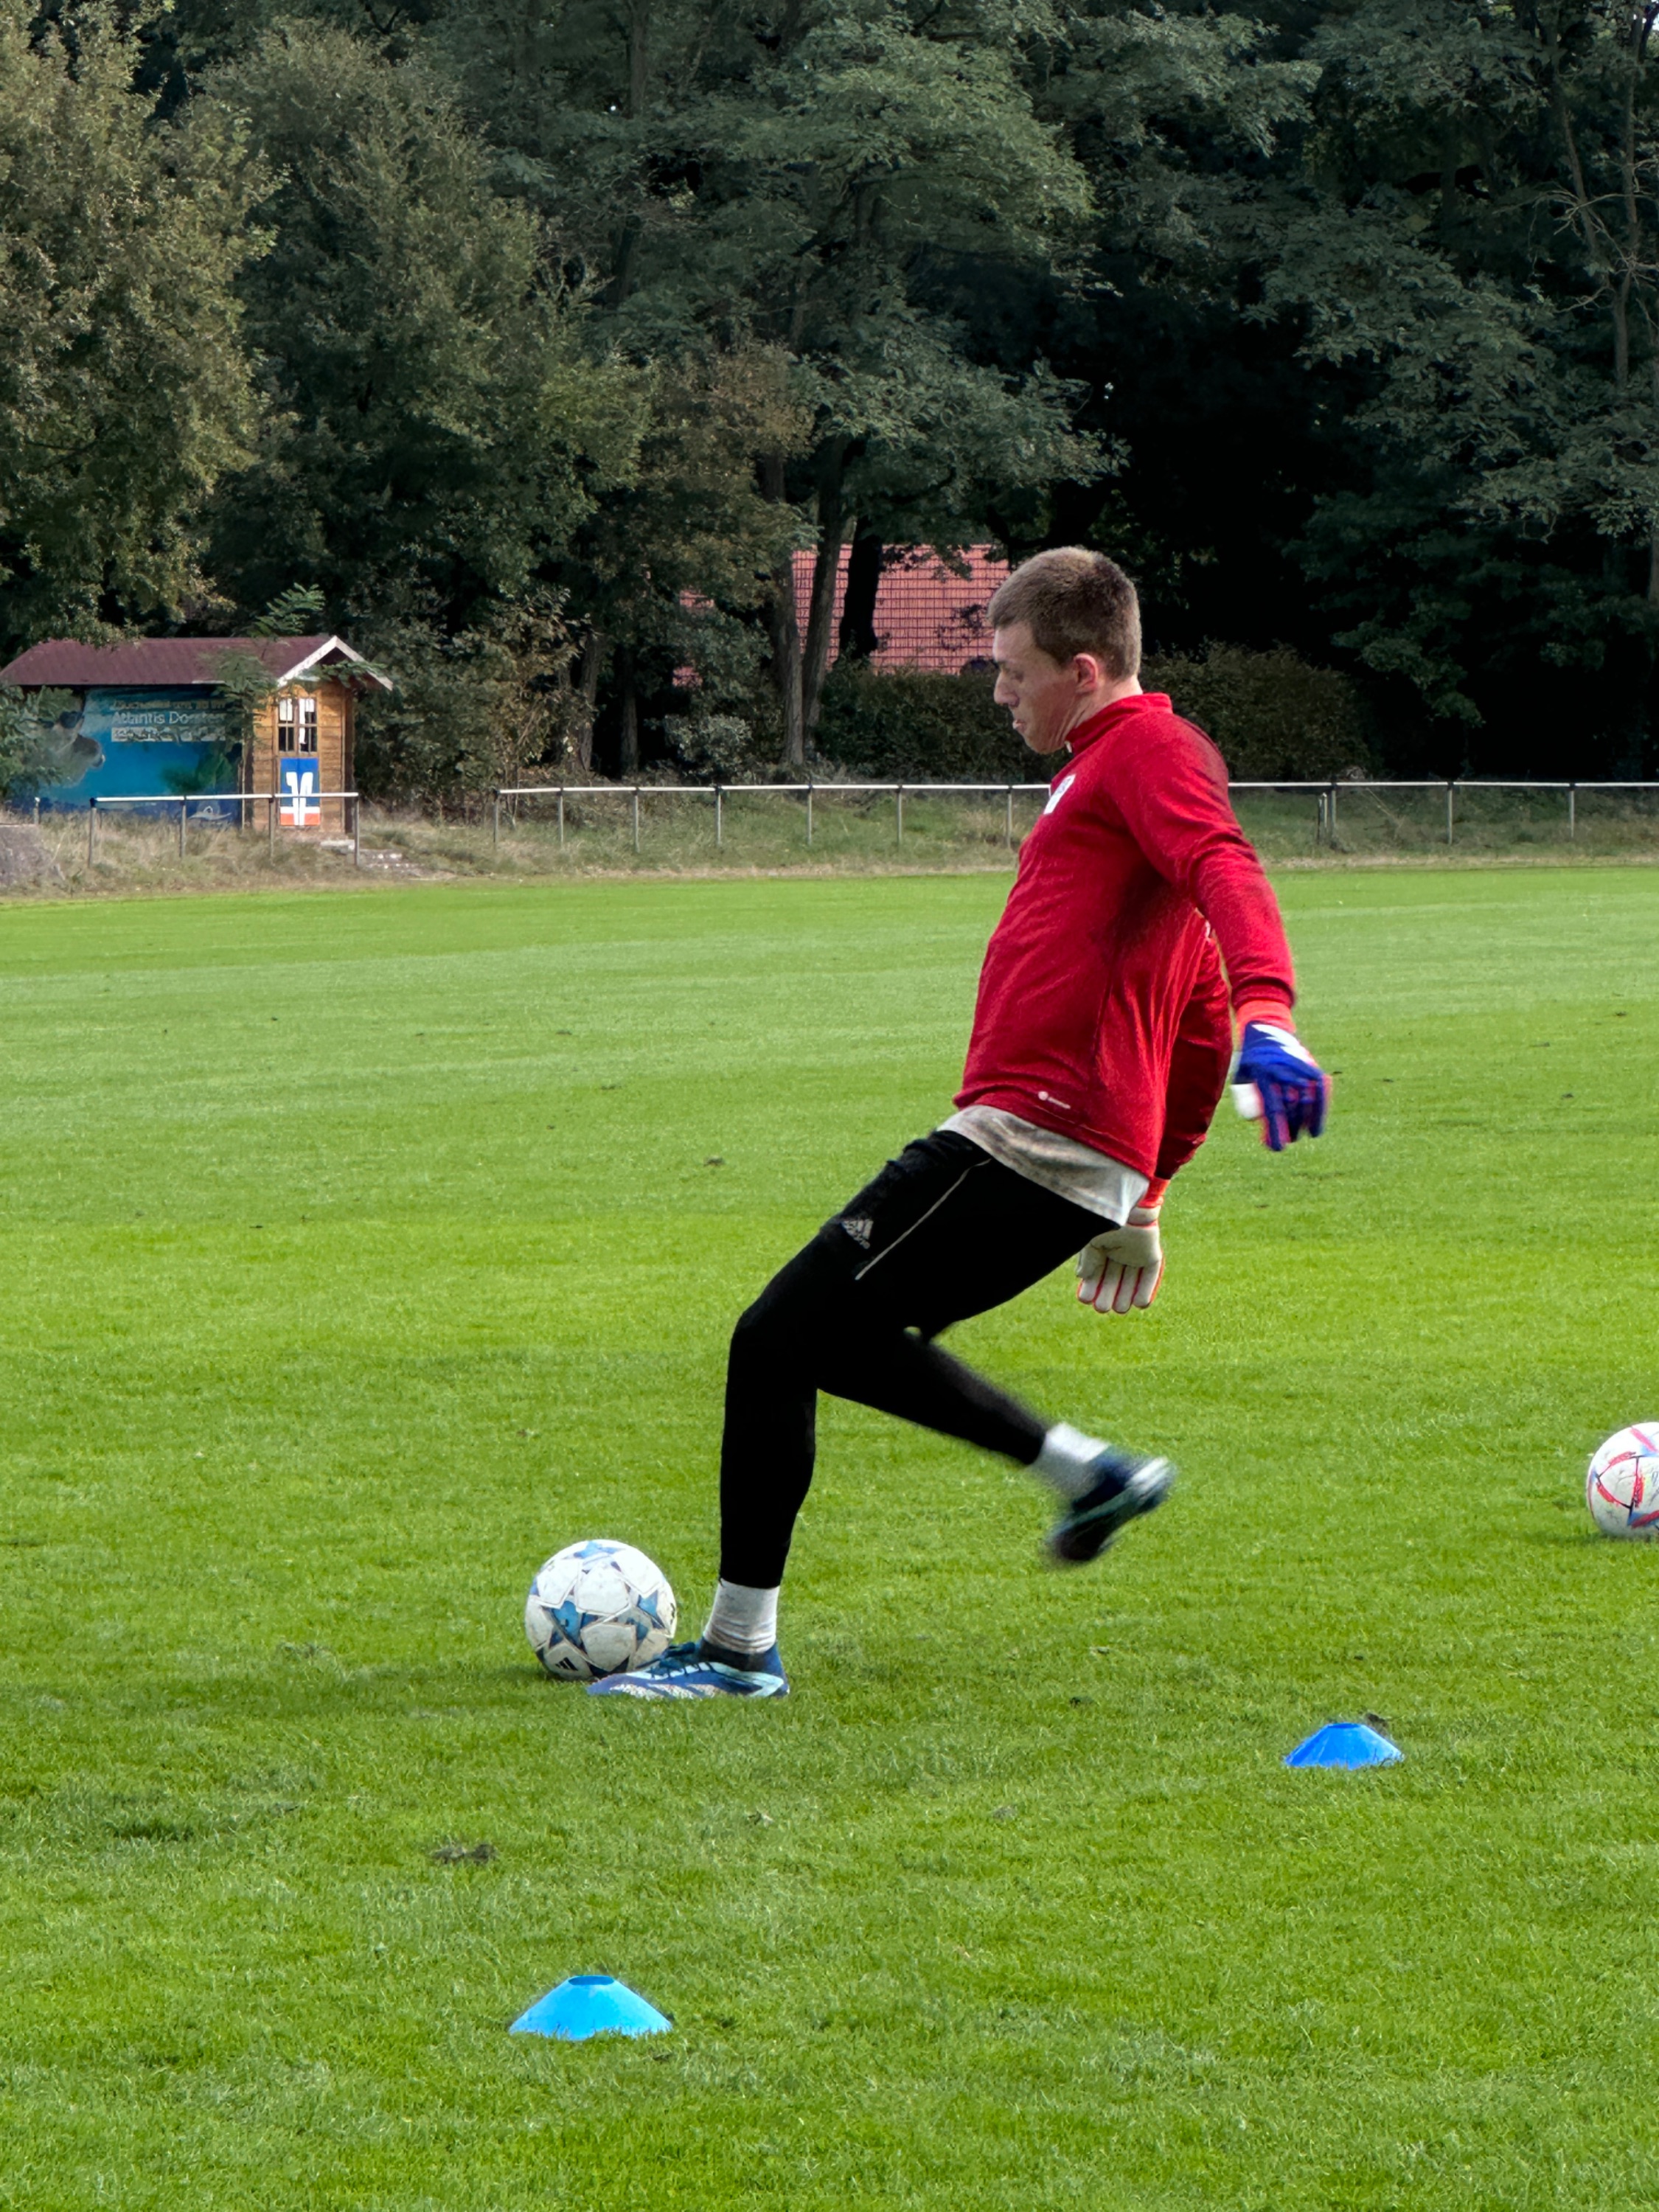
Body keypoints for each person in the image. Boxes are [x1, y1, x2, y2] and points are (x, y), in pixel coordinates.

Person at [594, 549, 1329, 1702]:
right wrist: (1145, 1196)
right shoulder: (1100, 774)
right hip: (1068, 1147)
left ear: (1083, 671)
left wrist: (1271, 1019)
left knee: (774, 1334)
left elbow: (1226, 869)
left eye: (1011, 671)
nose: (998, 694)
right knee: (827, 1339)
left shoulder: (1148, 753)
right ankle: (1087, 1474)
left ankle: (740, 1652)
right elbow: (1188, 1017)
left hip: (1033, 1130)